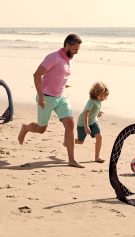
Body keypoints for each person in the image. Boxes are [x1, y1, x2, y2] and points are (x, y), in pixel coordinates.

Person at [18, 34, 84, 168]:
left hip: (61, 97)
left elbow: (59, 75)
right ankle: (26, 128)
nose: (77, 52)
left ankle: (71, 159)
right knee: (41, 129)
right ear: (67, 46)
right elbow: (36, 75)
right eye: (75, 49)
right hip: (46, 97)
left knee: (70, 125)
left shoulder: (68, 59)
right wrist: (41, 97)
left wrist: (62, 85)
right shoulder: (53, 57)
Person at [75, 82, 109, 163]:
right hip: (83, 123)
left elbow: (93, 111)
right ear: (95, 93)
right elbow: (86, 114)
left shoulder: (98, 101)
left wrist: (98, 113)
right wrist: (86, 127)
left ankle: (97, 157)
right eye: (101, 95)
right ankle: (69, 141)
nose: (103, 97)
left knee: (99, 137)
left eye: (104, 95)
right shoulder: (91, 101)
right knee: (80, 141)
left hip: (93, 122)